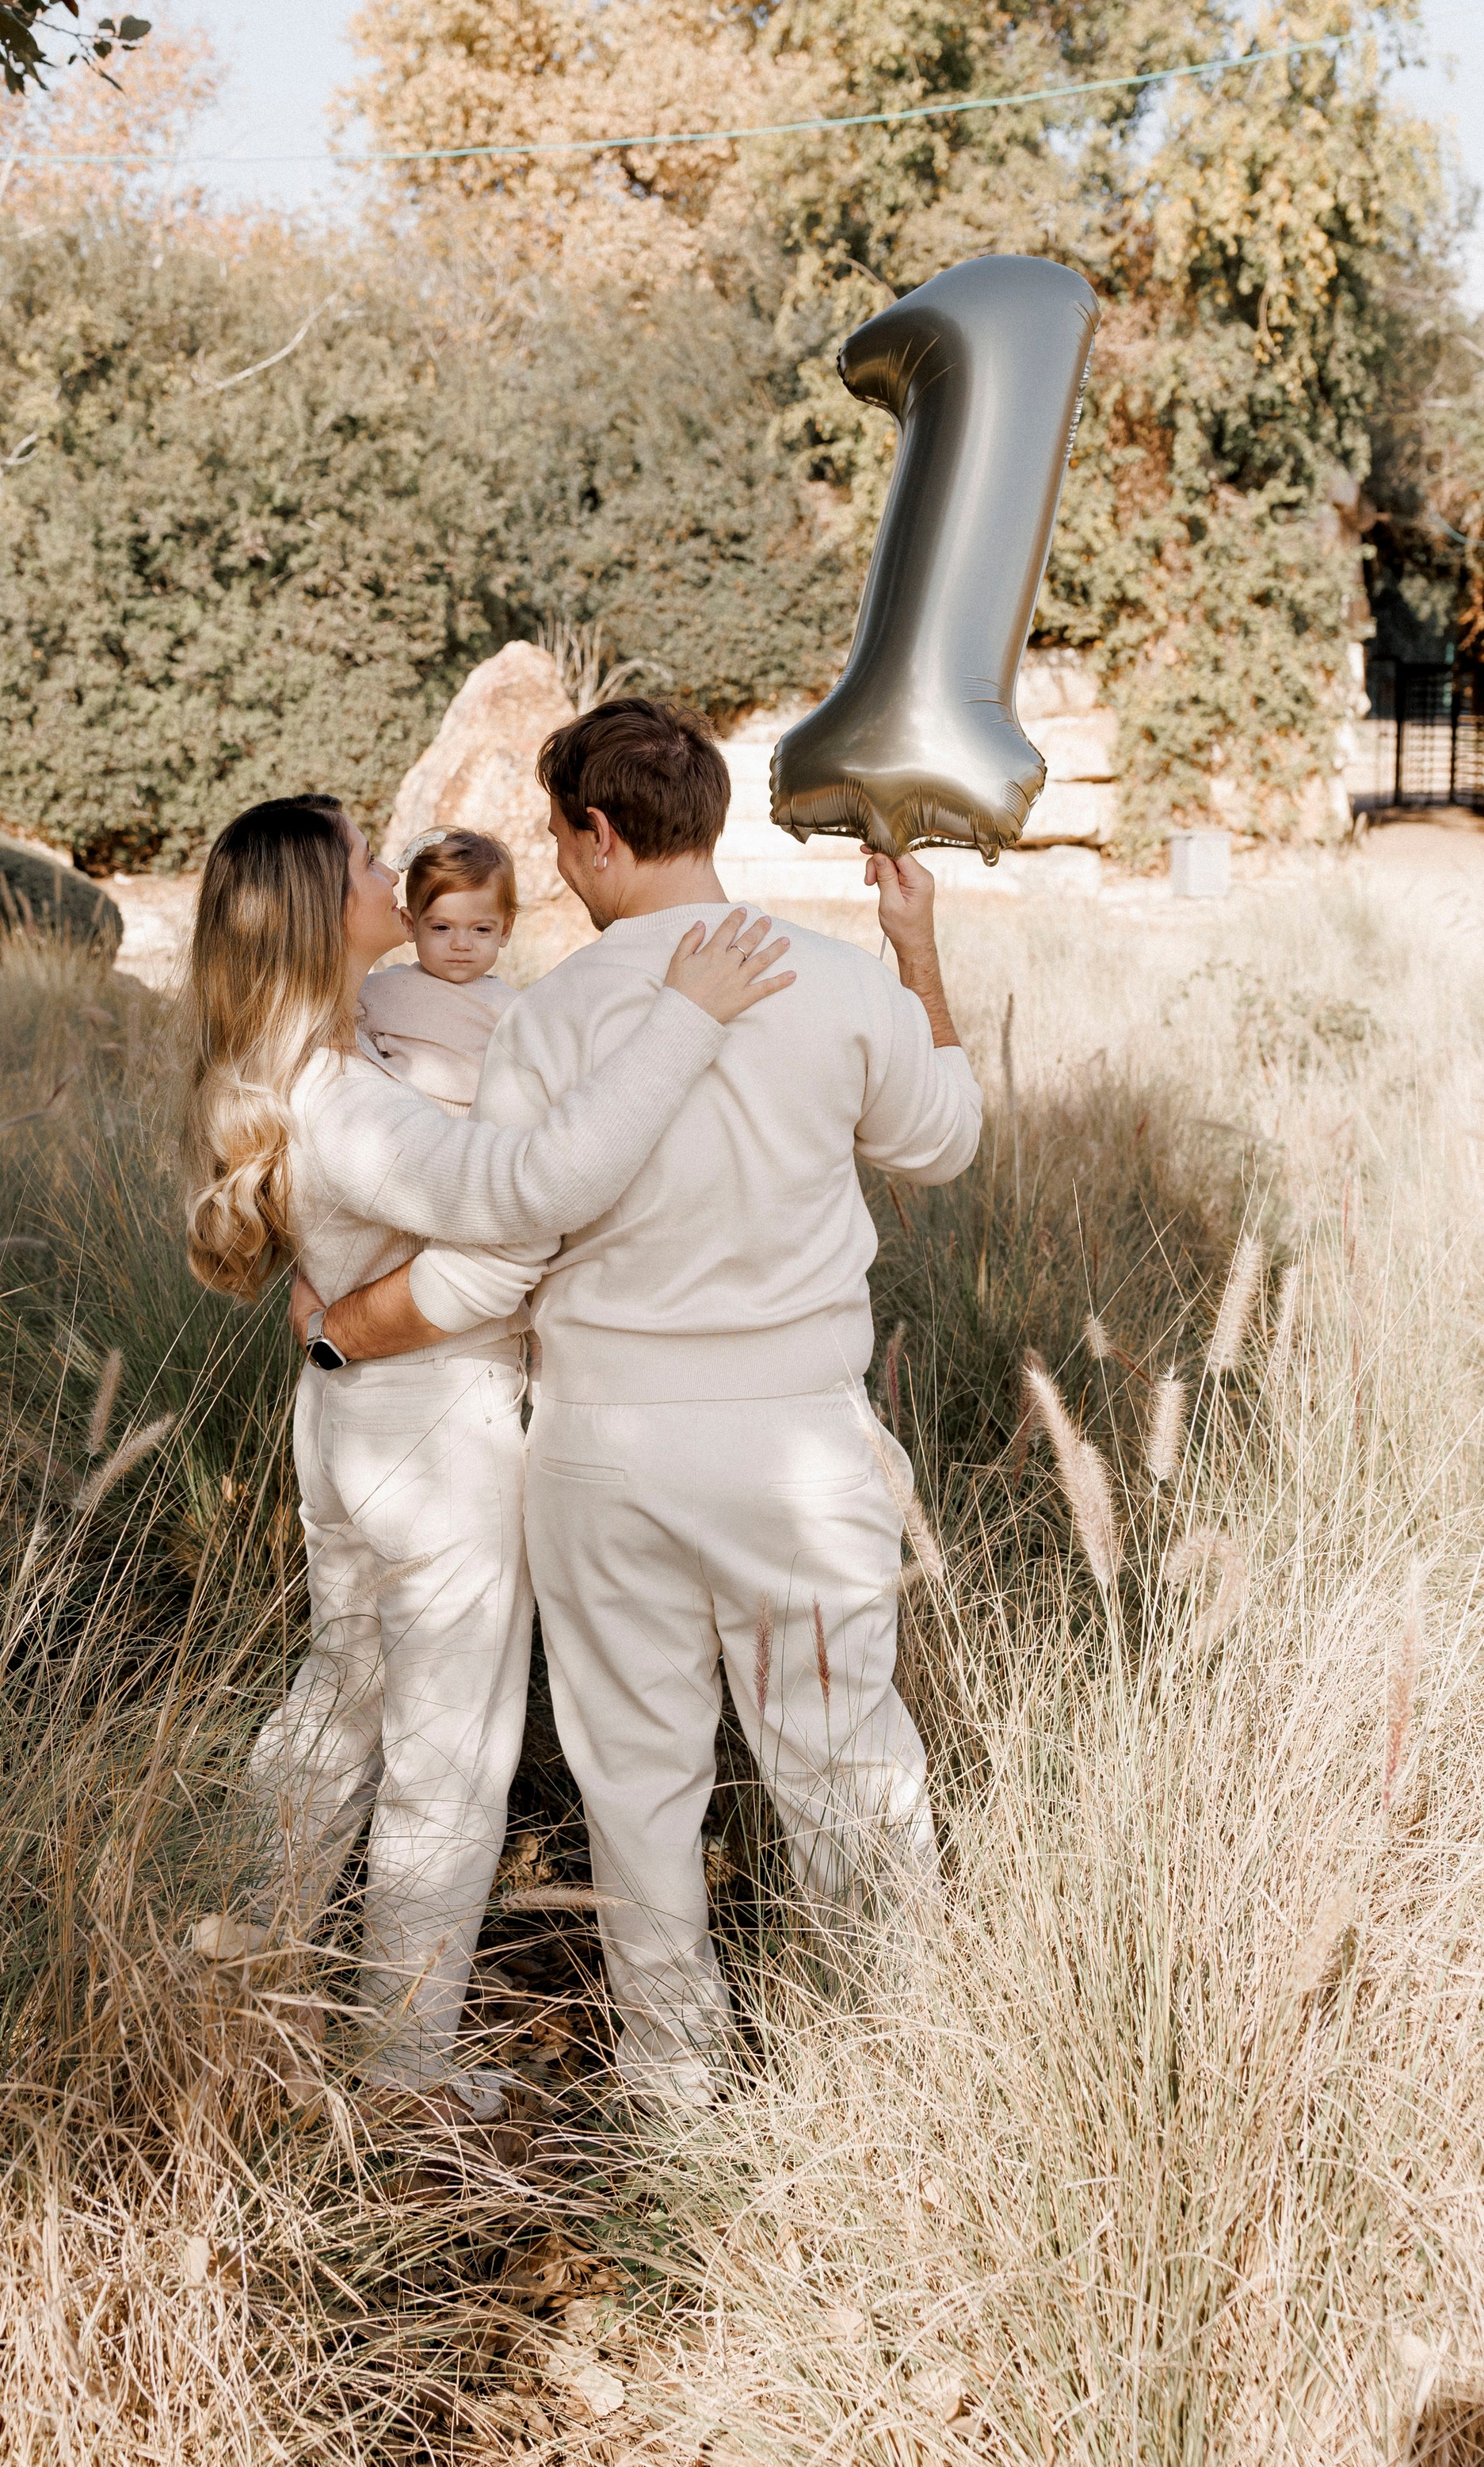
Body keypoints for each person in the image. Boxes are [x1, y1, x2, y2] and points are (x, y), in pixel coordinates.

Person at [288, 701, 982, 2107]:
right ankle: (910, 2070)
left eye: (561, 841)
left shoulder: (552, 1017)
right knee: (847, 1767)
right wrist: (917, 954)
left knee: (637, 1785)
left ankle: (673, 2088)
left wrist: (345, 1332)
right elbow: (945, 1141)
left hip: (602, 1449)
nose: (559, 869)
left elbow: (495, 1260)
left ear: (597, 834)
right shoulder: (843, 987)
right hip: (795, 1438)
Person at [182, 790, 791, 2118]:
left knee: (337, 1704)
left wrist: (345, 1313)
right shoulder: (346, 1100)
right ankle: (400, 2066)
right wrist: (686, 1015)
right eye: (359, 861)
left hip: (347, 1426)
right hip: (435, 1436)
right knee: (450, 1755)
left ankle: (238, 1968)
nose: (386, 874)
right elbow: (532, 1194)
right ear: (318, 911)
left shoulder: (331, 1060)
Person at [357, 826, 520, 1119]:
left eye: (481, 929)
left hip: (480, 1136)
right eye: (441, 928)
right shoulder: (380, 991)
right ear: (410, 924)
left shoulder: (514, 1009)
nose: (460, 944)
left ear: (505, 930)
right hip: (399, 1125)